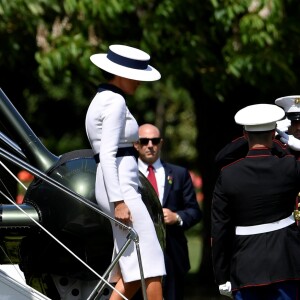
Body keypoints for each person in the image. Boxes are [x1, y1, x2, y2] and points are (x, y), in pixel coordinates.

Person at [85, 44, 166, 300]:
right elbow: (108, 154)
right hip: (120, 189)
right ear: (122, 75)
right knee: (151, 264)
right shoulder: (115, 101)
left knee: (129, 269)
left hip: (118, 186)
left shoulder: (104, 98)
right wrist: (119, 201)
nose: (140, 84)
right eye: (137, 77)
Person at [211, 103, 300, 299]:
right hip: (286, 263)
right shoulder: (289, 166)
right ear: (274, 133)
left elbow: (219, 230)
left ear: (244, 135)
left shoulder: (228, 175)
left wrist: (221, 275)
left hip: (245, 266)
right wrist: (290, 143)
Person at [133, 123, 202, 300]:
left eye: (155, 141)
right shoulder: (127, 175)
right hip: (136, 252)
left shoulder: (179, 174)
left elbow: (194, 211)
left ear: (161, 143)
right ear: (136, 144)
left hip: (172, 254)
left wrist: (177, 217)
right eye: (144, 141)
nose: (150, 145)